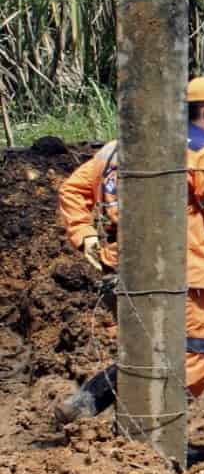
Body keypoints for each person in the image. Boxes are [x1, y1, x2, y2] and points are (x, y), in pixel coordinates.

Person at [56, 76, 204, 467]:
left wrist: (87, 239)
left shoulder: (119, 150)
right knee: (193, 356)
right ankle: (146, 434)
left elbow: (72, 190)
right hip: (189, 276)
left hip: (131, 273)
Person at [53, 140, 121, 424]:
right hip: (155, 268)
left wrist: (84, 233)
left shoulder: (113, 149)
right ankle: (93, 403)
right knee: (166, 350)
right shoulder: (187, 148)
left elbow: (72, 188)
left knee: (149, 348)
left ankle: (85, 404)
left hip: (115, 264)